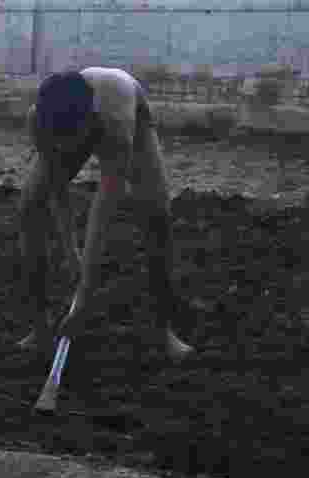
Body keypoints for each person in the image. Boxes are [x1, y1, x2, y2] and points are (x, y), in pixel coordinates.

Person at [15, 67, 194, 362]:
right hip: (74, 122)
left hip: (130, 108)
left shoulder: (117, 122)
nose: (65, 150)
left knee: (157, 215)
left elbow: (104, 208)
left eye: (70, 141)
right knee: (29, 207)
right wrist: (70, 250)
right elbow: (57, 185)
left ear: (88, 122)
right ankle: (39, 327)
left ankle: (165, 332)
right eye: (58, 144)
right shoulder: (41, 120)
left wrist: (85, 294)